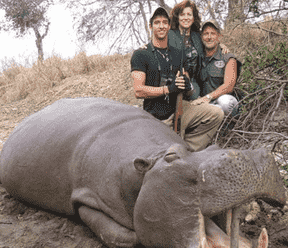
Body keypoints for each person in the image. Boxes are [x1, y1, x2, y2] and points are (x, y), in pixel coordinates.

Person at [131, 7, 224, 152]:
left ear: (169, 26)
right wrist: (167, 89)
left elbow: (185, 78)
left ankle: (188, 150)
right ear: (150, 26)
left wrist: (187, 85)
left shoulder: (177, 53)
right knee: (162, 156)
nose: (161, 26)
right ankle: (177, 153)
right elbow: (139, 91)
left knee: (216, 114)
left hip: (180, 109)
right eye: (157, 23)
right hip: (157, 117)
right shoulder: (140, 54)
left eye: (164, 22)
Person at [168, 0, 229, 100]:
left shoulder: (197, 36)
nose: (186, 18)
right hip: (174, 81)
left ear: (193, 18)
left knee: (195, 100)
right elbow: (157, 46)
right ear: (177, 17)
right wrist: (145, 47)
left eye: (189, 14)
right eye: (182, 14)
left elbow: (209, 41)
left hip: (193, 82)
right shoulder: (170, 35)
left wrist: (220, 45)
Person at [191, 20, 242, 116]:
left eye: (213, 33)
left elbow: (228, 86)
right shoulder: (197, 57)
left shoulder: (228, 58)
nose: (209, 37)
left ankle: (225, 126)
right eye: (206, 34)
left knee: (226, 102)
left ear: (219, 36)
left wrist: (208, 97)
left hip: (218, 102)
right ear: (201, 37)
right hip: (202, 103)